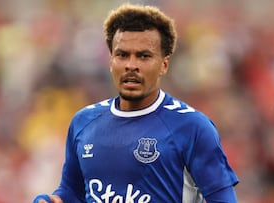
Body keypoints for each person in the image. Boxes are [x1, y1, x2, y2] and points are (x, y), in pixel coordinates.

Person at [33, 3, 239, 203]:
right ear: (110, 60)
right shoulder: (83, 122)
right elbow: (72, 192)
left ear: (164, 65)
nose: (131, 65)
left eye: (143, 56)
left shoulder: (193, 127)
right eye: (122, 55)